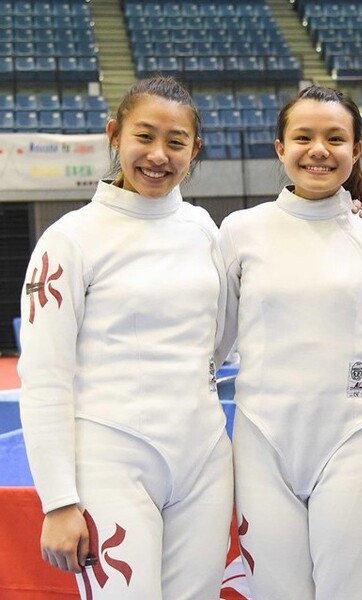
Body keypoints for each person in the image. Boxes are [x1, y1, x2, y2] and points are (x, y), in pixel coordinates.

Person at [18, 76, 233, 598]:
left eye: (176, 142)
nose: (159, 155)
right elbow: (43, 377)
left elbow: (220, 340)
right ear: (115, 135)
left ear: (194, 149)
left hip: (204, 459)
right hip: (110, 462)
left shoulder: (205, 229)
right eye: (145, 136)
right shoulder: (69, 239)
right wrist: (58, 500)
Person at [215, 85, 362, 599]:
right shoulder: (241, 231)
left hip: (349, 441)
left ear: (356, 150)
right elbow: (212, 345)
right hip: (261, 442)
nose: (319, 150)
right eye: (303, 137)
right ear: (280, 148)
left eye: (335, 138)